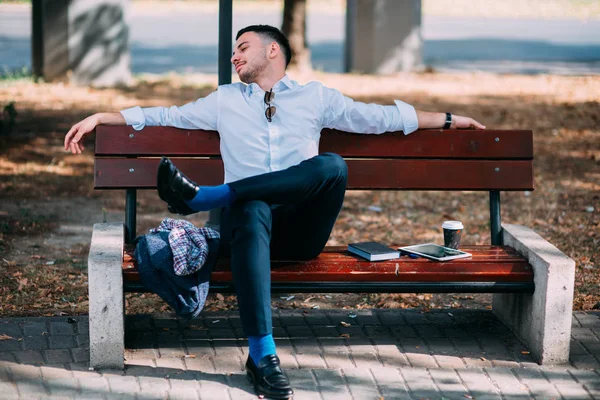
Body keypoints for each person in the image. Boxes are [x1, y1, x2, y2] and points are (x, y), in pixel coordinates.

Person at [65, 24, 485, 400]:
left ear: (273, 52)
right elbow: (166, 115)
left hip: (302, 230)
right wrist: (103, 115)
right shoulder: (224, 100)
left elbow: (380, 118)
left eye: (243, 47)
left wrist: (449, 120)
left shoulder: (315, 97)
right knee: (251, 207)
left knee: (333, 165)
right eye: (233, 50)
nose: (235, 56)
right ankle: (262, 357)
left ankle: (209, 197)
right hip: (247, 231)